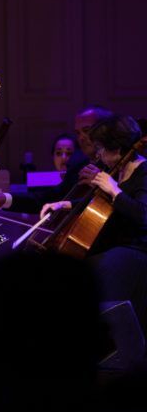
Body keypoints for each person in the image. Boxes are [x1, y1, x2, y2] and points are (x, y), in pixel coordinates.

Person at [39, 114, 147, 332]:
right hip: (112, 244)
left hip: (135, 249)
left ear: (117, 148)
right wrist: (65, 204)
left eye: (101, 149)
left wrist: (115, 190)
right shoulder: (117, 169)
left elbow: (143, 214)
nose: (98, 154)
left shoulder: (143, 171)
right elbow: (102, 204)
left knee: (92, 273)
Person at [0, 106, 109, 215]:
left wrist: (104, 187)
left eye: (86, 131)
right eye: (78, 133)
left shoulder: (117, 164)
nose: (81, 137)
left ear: (104, 130)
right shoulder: (79, 167)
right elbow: (48, 197)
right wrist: (4, 198)